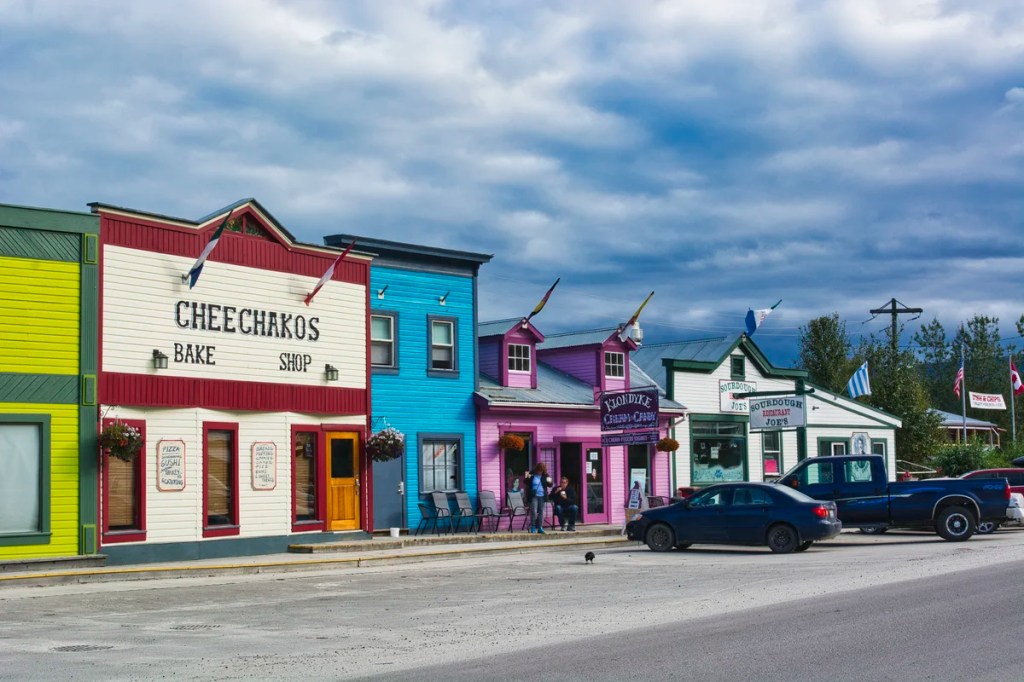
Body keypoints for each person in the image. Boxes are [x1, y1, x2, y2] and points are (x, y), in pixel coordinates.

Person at [523, 463, 553, 534]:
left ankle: (540, 527)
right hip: (534, 495)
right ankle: (533, 526)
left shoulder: (546, 475)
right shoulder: (532, 474)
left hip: (542, 496)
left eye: (542, 471)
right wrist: (527, 476)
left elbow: (550, 485)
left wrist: (550, 481)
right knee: (533, 511)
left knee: (541, 512)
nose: (540, 472)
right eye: (539, 470)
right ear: (537, 469)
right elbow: (525, 481)